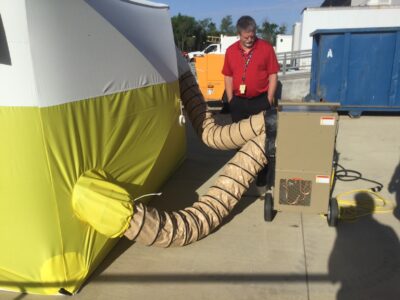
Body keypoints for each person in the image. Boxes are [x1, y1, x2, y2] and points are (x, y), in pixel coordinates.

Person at [222, 15, 279, 187]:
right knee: (239, 140)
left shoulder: (266, 48)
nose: (249, 39)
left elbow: (273, 74)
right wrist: (231, 99)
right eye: (246, 36)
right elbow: (228, 76)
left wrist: (269, 98)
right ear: (238, 34)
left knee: (263, 140)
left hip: (260, 101)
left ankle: (262, 174)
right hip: (238, 102)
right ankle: (242, 174)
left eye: (252, 35)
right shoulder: (231, 51)